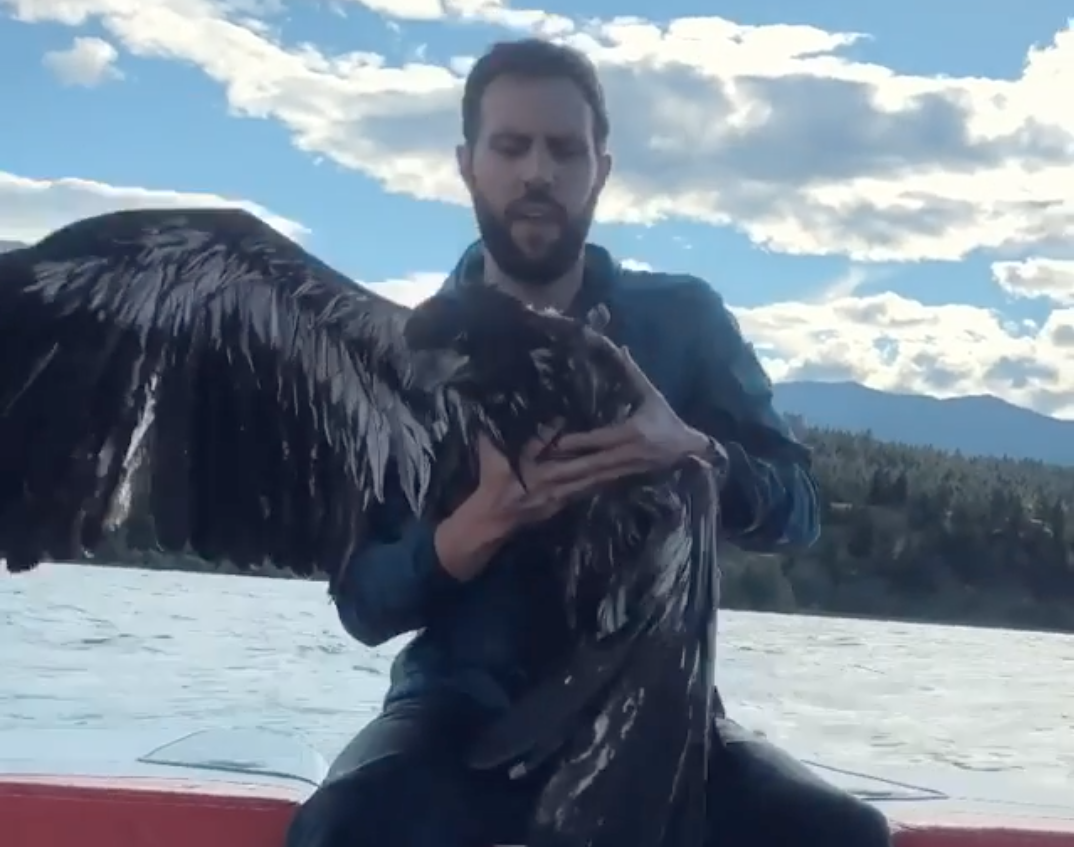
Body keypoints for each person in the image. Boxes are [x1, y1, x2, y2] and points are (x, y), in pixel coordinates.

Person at [285, 37, 892, 847]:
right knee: (343, 830)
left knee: (836, 835)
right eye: (511, 146)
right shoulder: (402, 357)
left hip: (661, 714)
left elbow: (799, 509)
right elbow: (363, 600)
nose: (538, 172)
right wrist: (472, 531)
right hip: (454, 716)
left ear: (599, 168)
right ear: (468, 164)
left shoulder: (685, 322)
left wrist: (693, 454)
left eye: (564, 149)